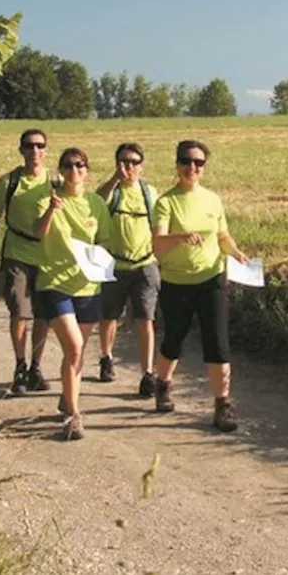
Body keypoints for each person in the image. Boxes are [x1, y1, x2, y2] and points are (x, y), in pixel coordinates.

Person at [150, 140, 248, 433]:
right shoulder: (166, 202)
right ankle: (163, 384)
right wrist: (180, 237)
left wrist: (236, 252)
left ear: (204, 168)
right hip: (177, 281)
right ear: (177, 164)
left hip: (212, 278)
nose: (192, 167)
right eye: (186, 161)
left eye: (198, 163)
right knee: (174, 340)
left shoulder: (213, 200)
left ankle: (222, 405)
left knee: (217, 342)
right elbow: (157, 244)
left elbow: (222, 235)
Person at [32, 147, 114, 440]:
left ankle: (68, 396)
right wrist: (52, 210)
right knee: (76, 347)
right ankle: (73, 416)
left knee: (73, 352)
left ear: (87, 170)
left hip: (88, 286)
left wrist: (97, 258)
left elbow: (104, 241)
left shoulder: (95, 204)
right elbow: (38, 233)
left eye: (80, 165)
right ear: (60, 170)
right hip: (54, 283)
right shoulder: (49, 199)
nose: (74, 170)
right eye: (68, 165)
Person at [0, 128, 52, 396]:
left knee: (43, 314)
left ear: (46, 150)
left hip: (47, 256)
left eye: (40, 146)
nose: (34, 151)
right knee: (20, 311)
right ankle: (20, 366)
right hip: (16, 254)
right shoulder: (9, 182)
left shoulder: (54, 182)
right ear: (21, 150)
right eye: (29, 146)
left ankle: (36, 367)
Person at [94, 142, 161, 397]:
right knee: (110, 316)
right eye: (124, 161)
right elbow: (95, 202)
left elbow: (159, 224)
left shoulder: (149, 193)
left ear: (142, 166)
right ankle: (106, 357)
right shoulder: (112, 191)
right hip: (114, 264)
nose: (129, 166)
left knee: (146, 319)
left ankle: (147, 373)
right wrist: (114, 179)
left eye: (134, 162)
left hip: (145, 264)